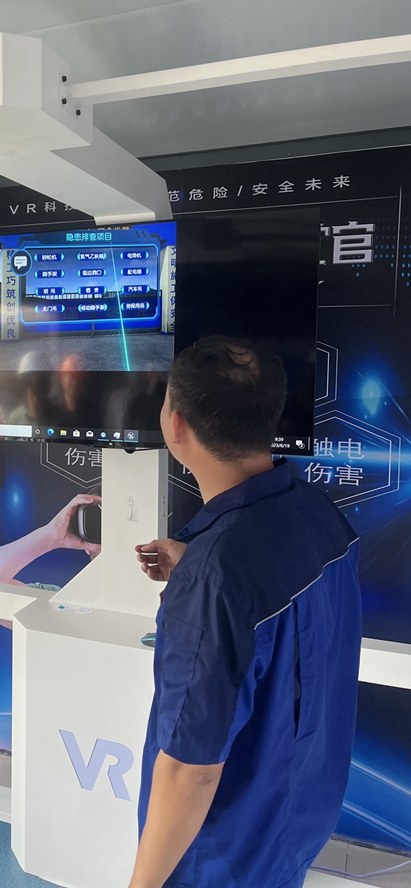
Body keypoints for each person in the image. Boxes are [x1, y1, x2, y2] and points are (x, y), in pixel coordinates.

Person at [130, 337, 361, 888]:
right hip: (295, 817)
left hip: (221, 853)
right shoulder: (320, 515)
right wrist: (199, 566)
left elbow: (189, 771)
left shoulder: (214, 581)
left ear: (176, 424)